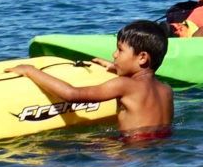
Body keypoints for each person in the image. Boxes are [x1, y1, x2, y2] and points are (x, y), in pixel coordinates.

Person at [13, 20, 174, 140]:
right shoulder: (166, 89)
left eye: (120, 50)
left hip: (131, 151)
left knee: (65, 149)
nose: (114, 55)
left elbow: (71, 94)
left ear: (142, 57)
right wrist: (115, 67)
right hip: (161, 144)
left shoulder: (124, 85)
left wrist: (31, 71)